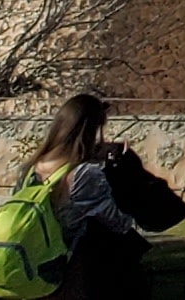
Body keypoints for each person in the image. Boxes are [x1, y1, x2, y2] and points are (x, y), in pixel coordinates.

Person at [26, 94, 146, 300]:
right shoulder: (84, 174)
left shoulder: (30, 169)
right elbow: (120, 223)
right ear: (92, 131)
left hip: (35, 267)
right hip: (74, 272)